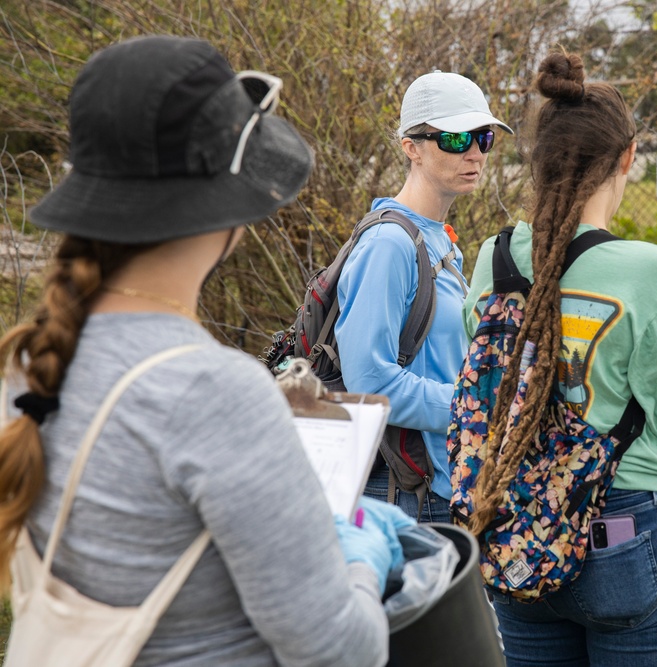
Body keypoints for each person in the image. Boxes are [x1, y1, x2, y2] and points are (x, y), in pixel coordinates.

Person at [0, 35, 412, 666]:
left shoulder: (25, 366)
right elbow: (340, 650)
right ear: (230, 206)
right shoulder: (212, 389)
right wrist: (362, 556)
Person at [461, 52, 657, 667]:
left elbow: (481, 393)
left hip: (517, 525)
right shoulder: (649, 269)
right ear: (628, 157)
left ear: (541, 159)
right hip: (628, 527)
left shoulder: (494, 259)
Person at [340, 69, 513, 522]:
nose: (475, 152)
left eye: (484, 137)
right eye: (456, 139)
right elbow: (369, 384)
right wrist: (475, 406)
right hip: (408, 496)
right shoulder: (389, 245)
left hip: (447, 485)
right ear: (411, 147)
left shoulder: (437, 240)